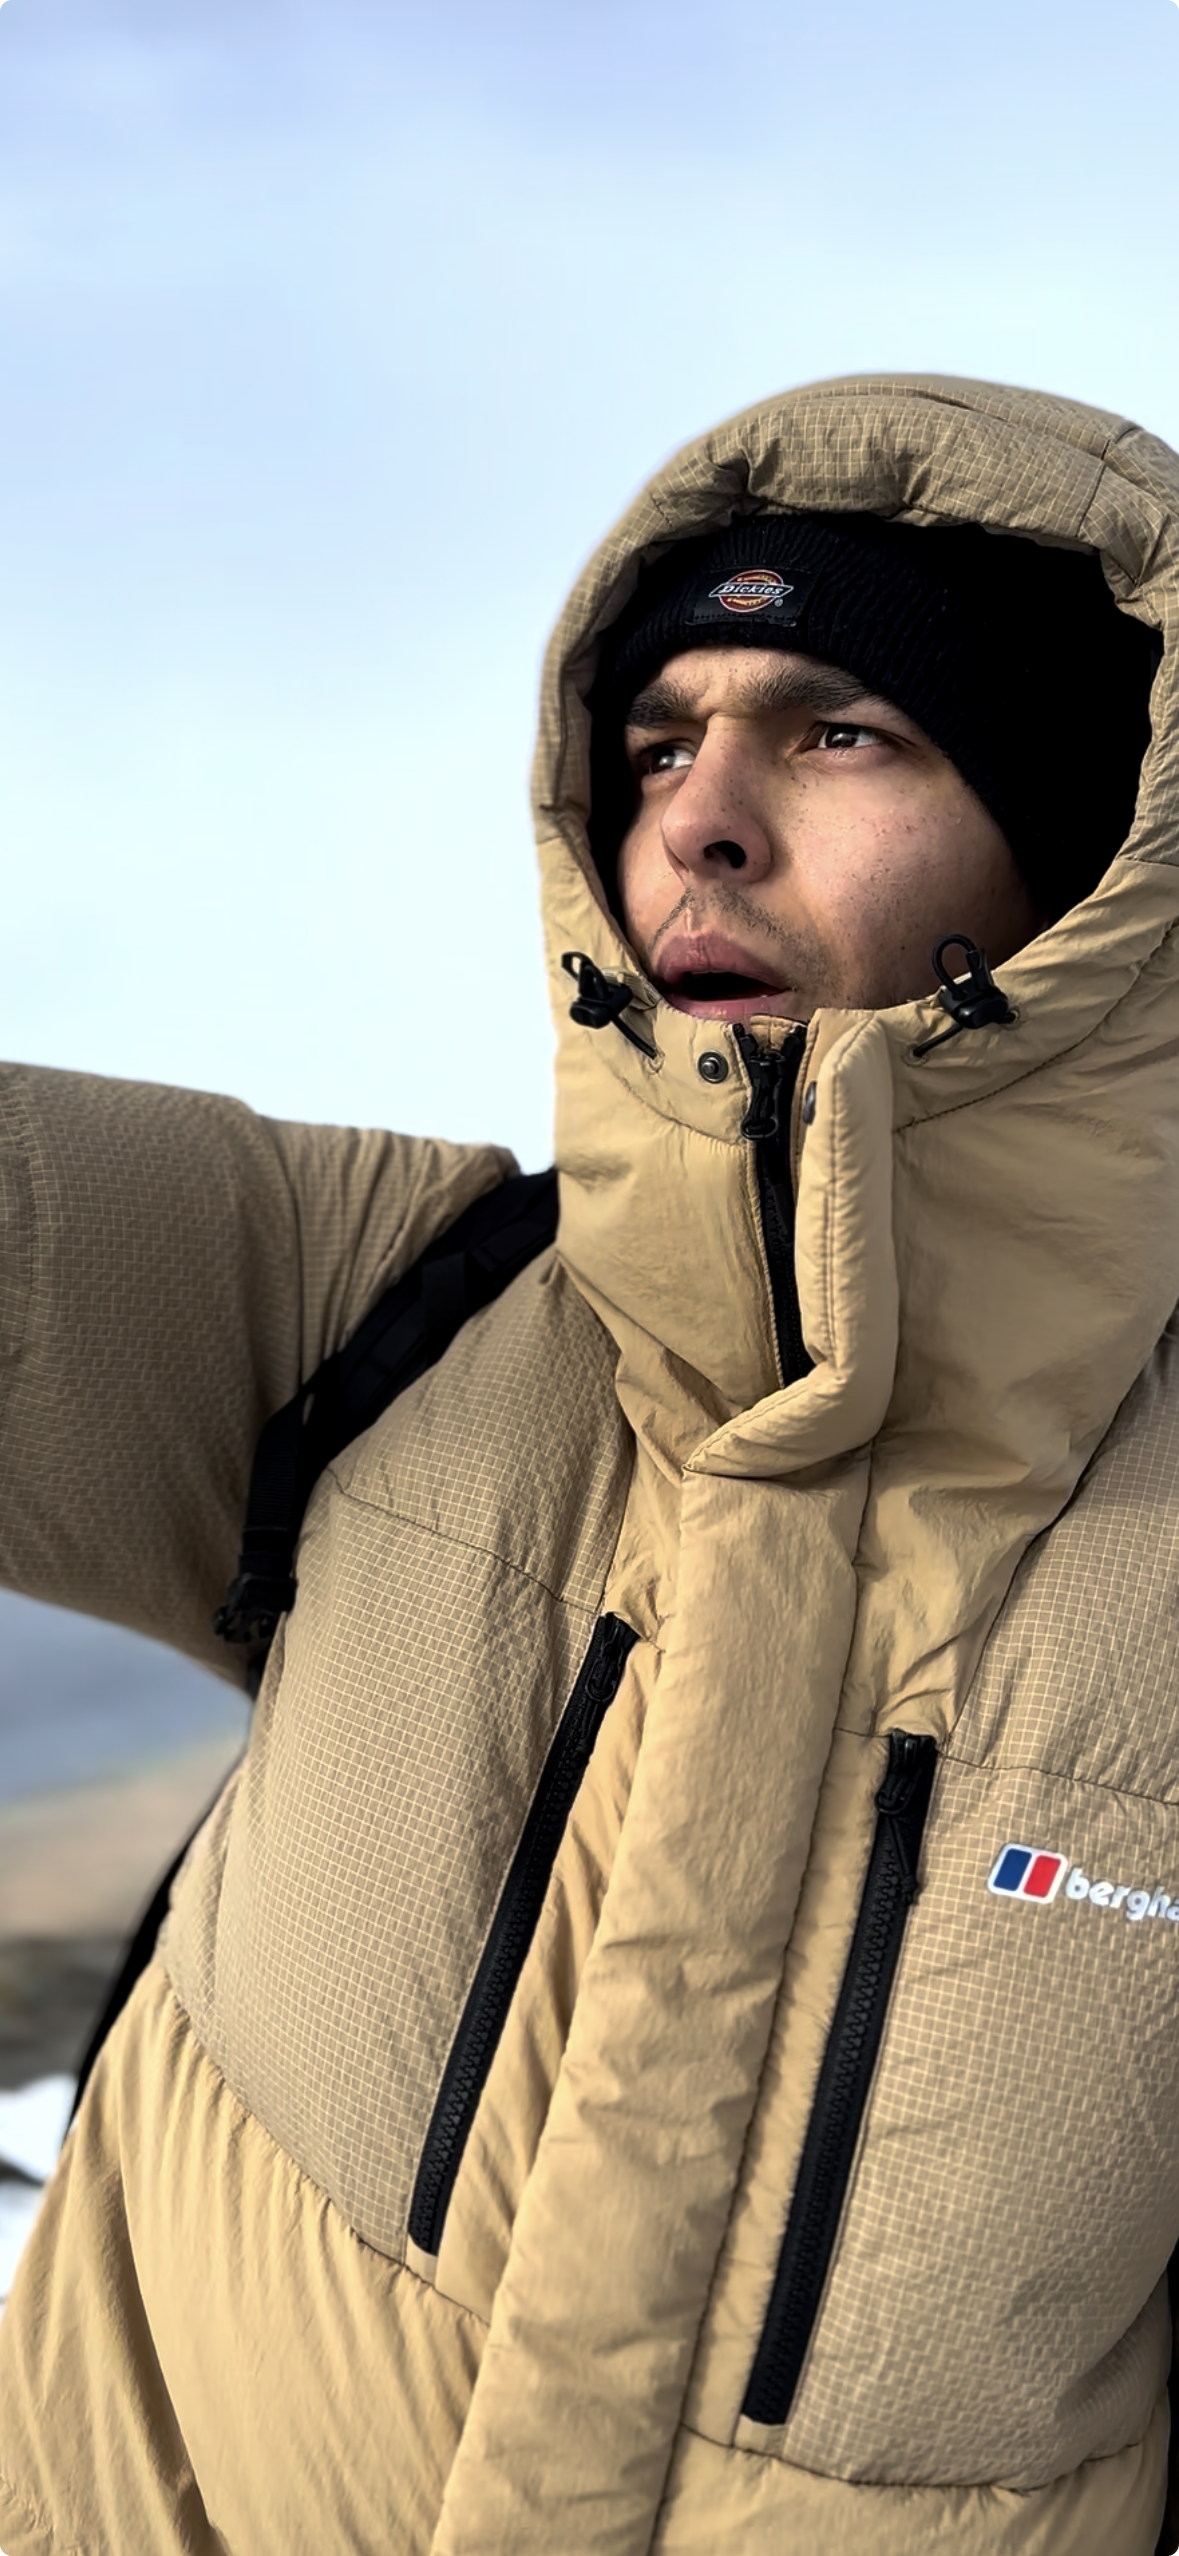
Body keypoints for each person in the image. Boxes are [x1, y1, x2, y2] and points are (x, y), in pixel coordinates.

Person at [0, 371, 1176, 2556]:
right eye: (657, 743)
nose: (700, 818)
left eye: (841, 731)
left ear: (1089, 849)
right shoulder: (374, 1296)